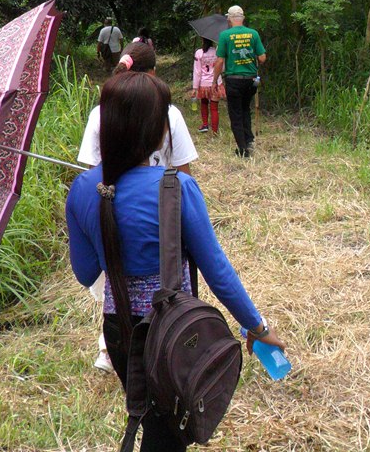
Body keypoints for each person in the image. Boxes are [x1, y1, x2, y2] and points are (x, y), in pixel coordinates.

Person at [66, 71, 286, 452]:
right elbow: (216, 269)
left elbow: (85, 272)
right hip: (175, 333)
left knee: (152, 418)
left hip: (119, 331)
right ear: (157, 132)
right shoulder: (177, 187)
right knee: (168, 431)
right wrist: (257, 326)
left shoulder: (86, 189)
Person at [78, 40, 198, 372]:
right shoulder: (169, 113)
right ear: (153, 74)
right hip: (164, 216)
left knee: (117, 279)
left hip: (114, 214)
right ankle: (173, 342)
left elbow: (91, 175)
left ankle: (111, 346)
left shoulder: (99, 113)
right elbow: (184, 170)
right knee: (170, 281)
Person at [213, 5, 266, 158]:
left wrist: (214, 80)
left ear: (229, 19)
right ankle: (249, 141)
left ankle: (242, 149)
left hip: (233, 80)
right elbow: (262, 58)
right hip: (251, 80)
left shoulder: (225, 36)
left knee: (235, 113)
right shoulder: (253, 34)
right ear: (243, 18)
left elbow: (219, 61)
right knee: (245, 110)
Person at [191, 37, 224, 134]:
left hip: (204, 83)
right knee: (214, 108)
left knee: (204, 103)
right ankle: (215, 131)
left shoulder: (199, 53)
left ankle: (205, 125)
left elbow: (197, 71)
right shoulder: (217, 52)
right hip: (215, 82)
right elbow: (222, 68)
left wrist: (195, 87)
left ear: (202, 40)